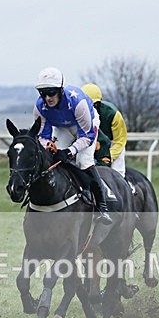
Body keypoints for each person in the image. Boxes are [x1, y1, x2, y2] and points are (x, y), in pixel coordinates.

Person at [33, 67, 111, 225]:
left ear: (60, 90)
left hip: (86, 126)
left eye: (51, 92)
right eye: (43, 93)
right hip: (63, 127)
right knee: (54, 159)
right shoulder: (40, 107)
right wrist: (48, 145)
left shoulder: (77, 101)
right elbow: (43, 136)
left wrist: (70, 151)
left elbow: (87, 137)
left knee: (83, 161)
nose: (47, 98)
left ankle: (103, 207)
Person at [80, 83, 128, 178]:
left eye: (93, 105)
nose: (91, 109)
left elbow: (119, 141)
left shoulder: (113, 114)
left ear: (98, 103)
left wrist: (108, 155)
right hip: (90, 144)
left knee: (117, 172)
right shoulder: (78, 114)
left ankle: (124, 188)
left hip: (112, 145)